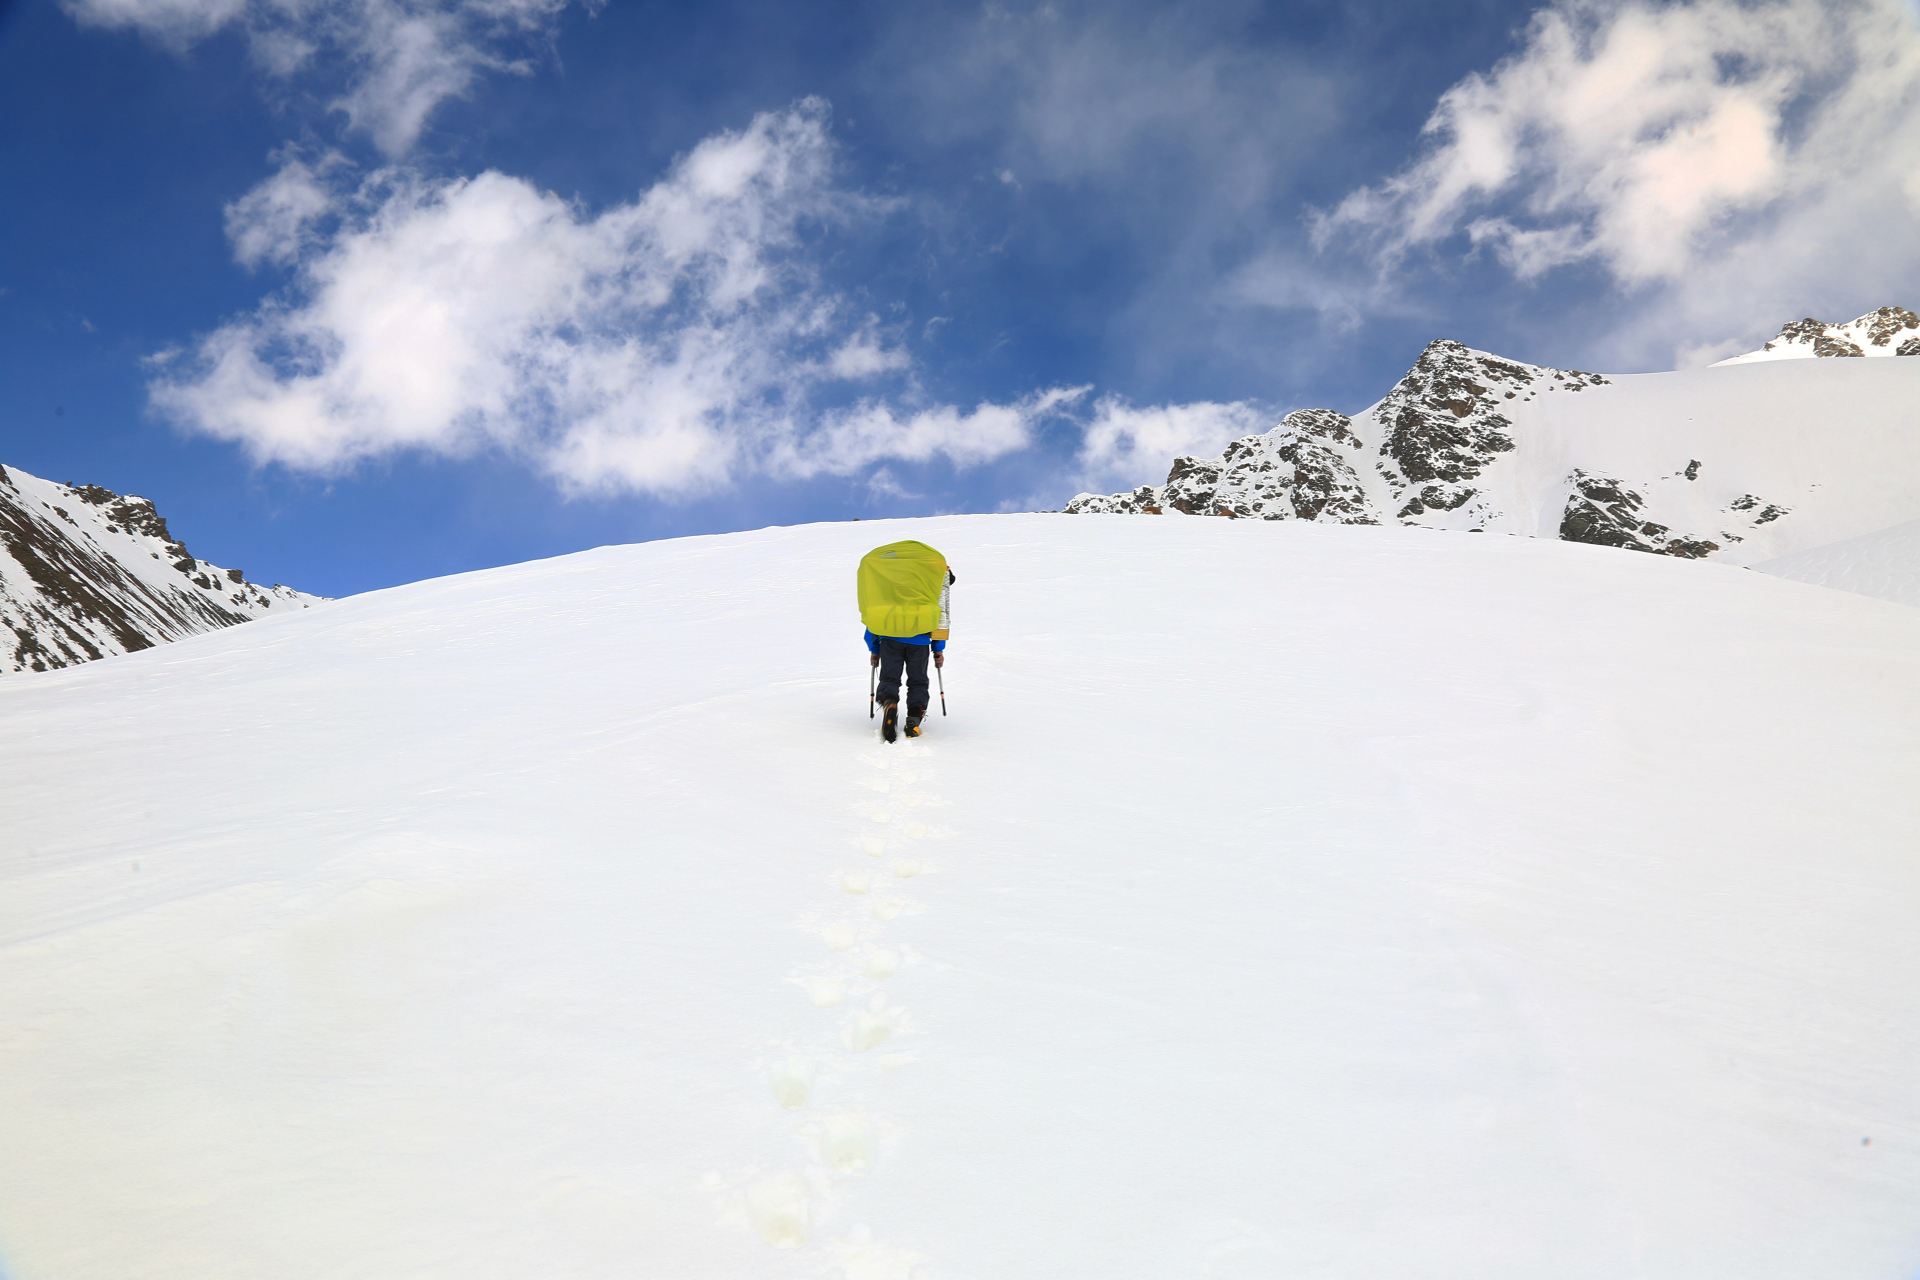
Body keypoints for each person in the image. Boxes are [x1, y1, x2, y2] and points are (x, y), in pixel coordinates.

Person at [857, 540, 953, 742]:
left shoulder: (889, 594)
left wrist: (875, 649)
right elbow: (940, 620)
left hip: (889, 639)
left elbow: (874, 624)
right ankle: (913, 720)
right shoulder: (928, 596)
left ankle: (890, 702)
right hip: (919, 642)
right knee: (918, 681)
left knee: (889, 678)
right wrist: (938, 649)